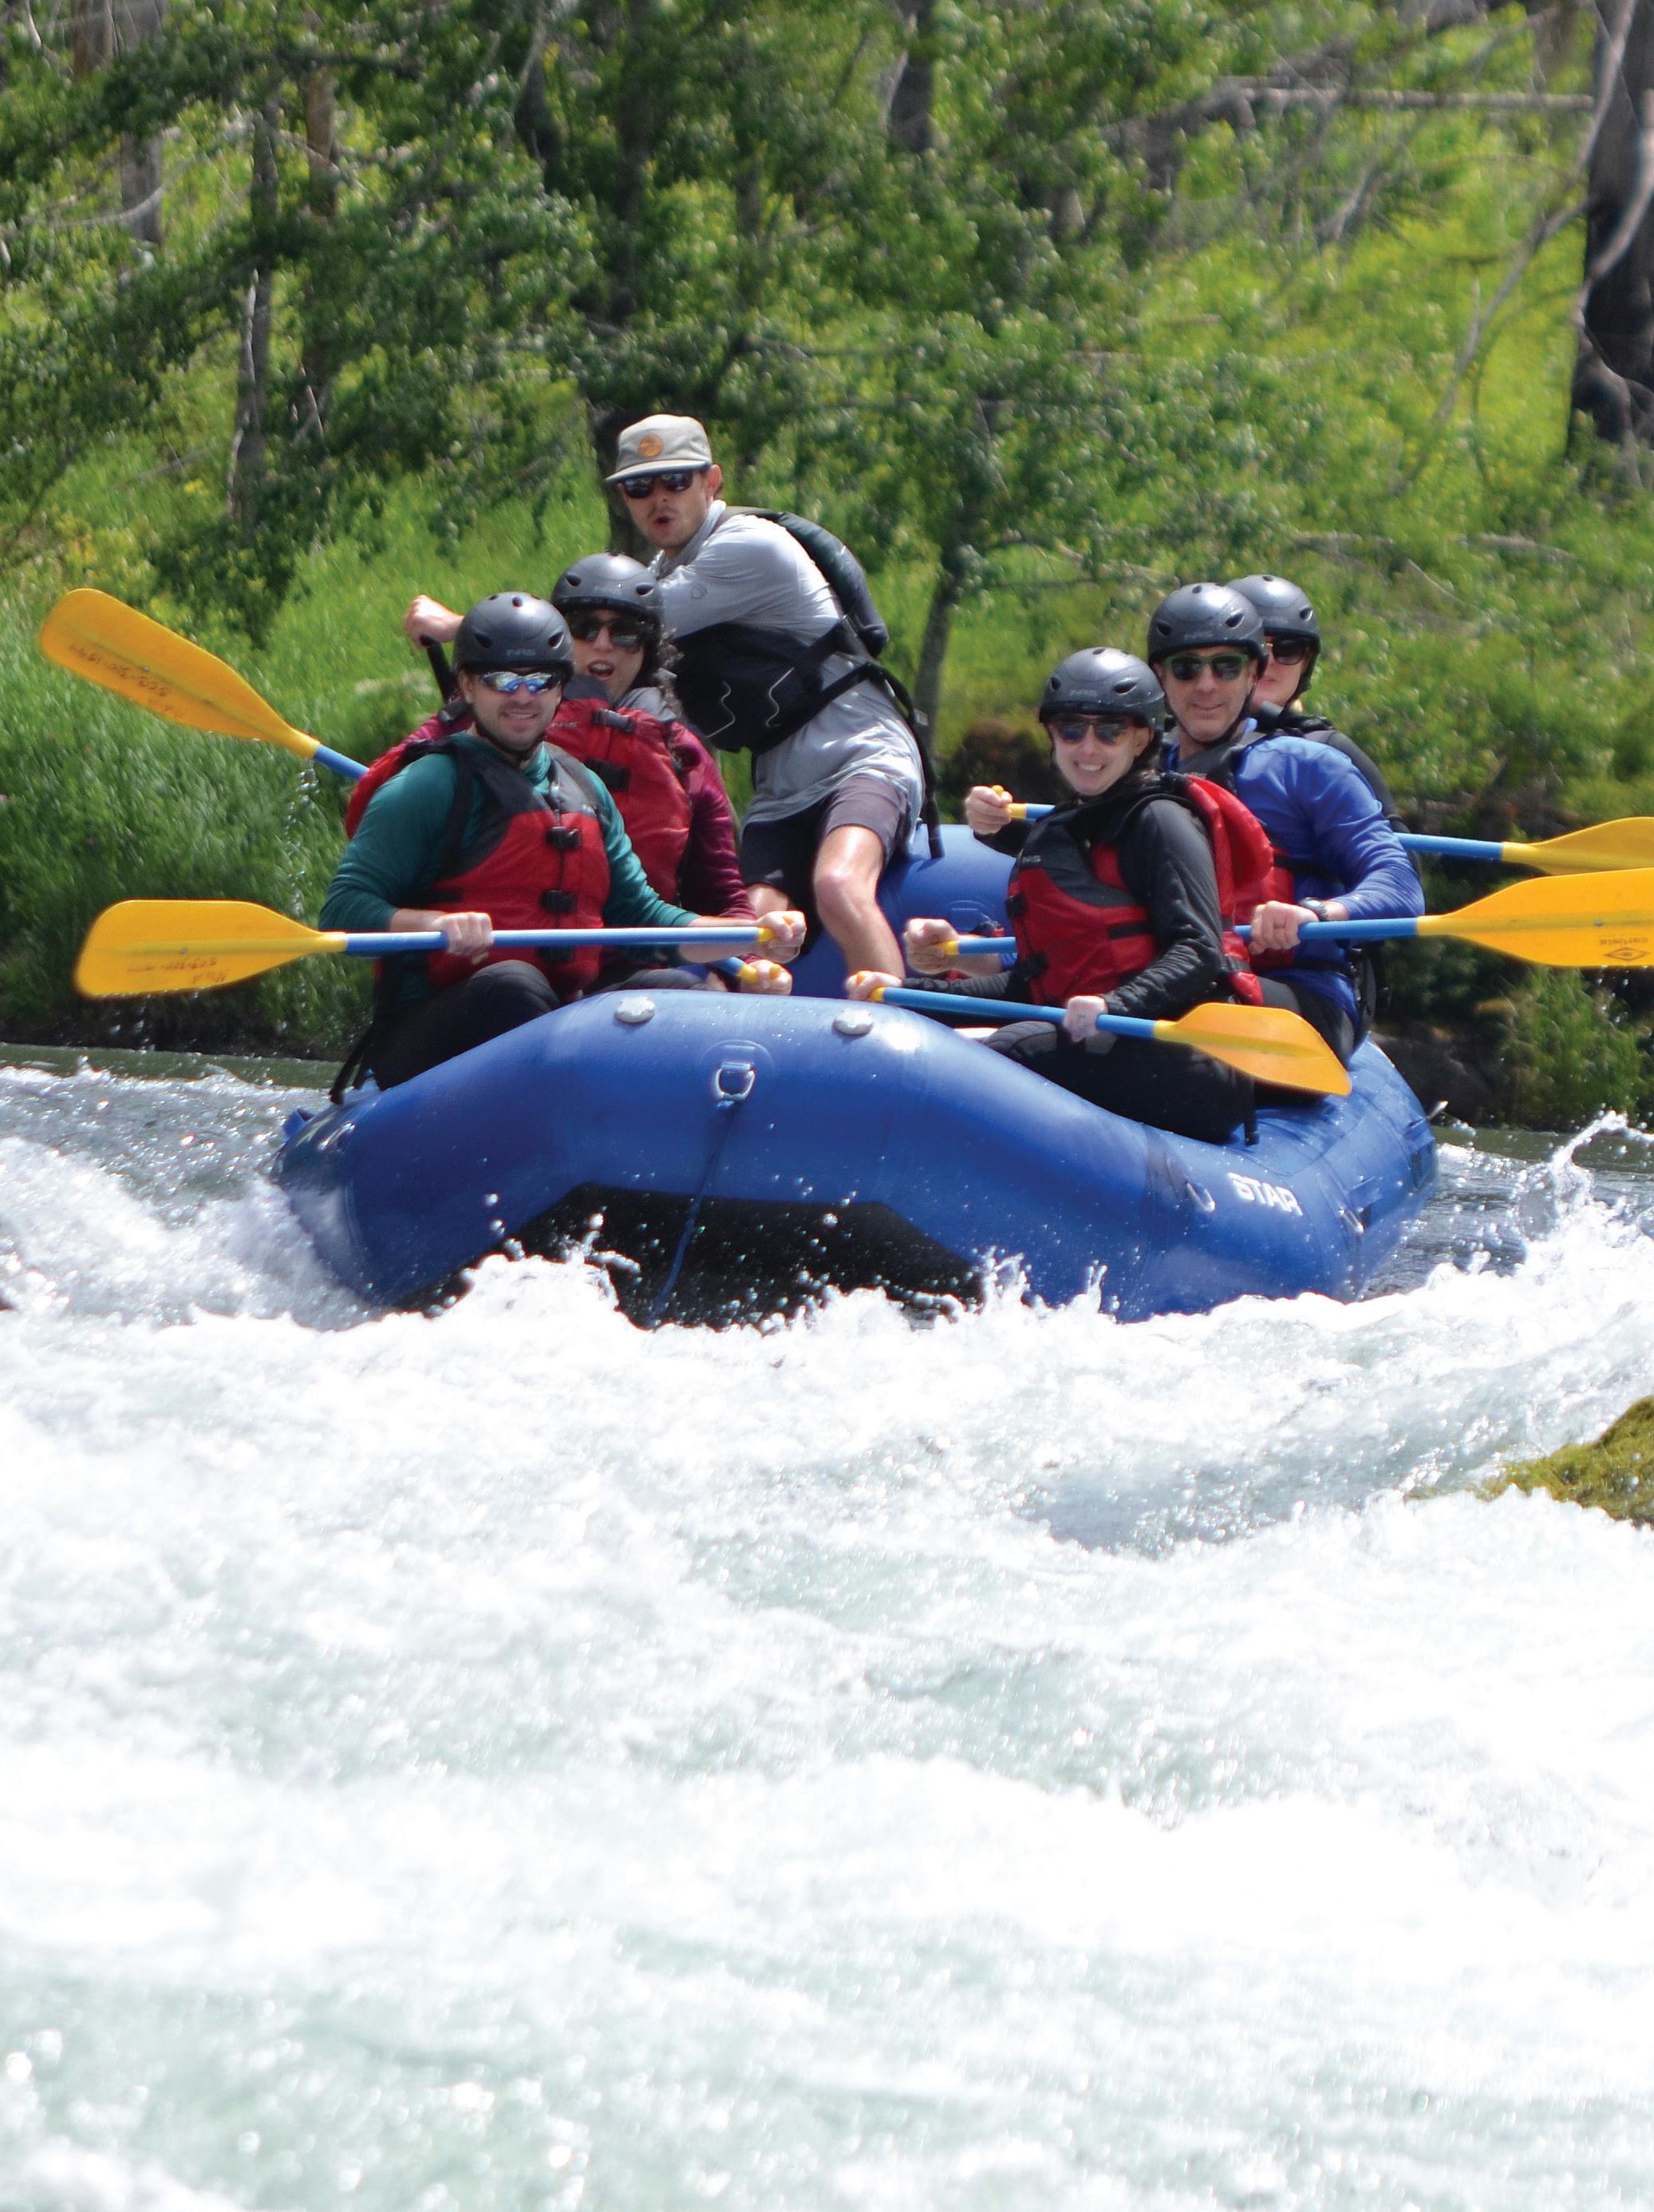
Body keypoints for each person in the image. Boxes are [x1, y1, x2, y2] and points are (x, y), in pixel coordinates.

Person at [324, 593, 802, 1091]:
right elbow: (343, 908)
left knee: (672, 992)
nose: (522, 697)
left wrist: (752, 936)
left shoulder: (585, 790)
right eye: (502, 681)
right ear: (467, 686)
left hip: (551, 1016)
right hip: (431, 1033)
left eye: (540, 681)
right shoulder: (428, 785)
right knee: (514, 985)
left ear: (560, 690)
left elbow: (644, 917)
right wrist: (432, 924)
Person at [843, 649, 1265, 1144]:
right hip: (1106, 1039)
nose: (1087, 747)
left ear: (1142, 738)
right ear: (1052, 736)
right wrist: (905, 994)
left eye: (1110, 731)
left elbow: (1198, 950)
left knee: (1012, 1051)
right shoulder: (1074, 826)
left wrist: (1116, 1005)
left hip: (1190, 1058)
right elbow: (1033, 987)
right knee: (931, 1031)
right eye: (1071, 730)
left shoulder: (1161, 821)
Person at [606, 414, 926, 980]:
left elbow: (615, 623)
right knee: (752, 928)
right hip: (781, 788)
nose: (659, 499)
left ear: (712, 481)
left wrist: (471, 628)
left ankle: (890, 1024)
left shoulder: (749, 546)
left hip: (864, 755)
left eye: (676, 481)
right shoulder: (659, 571)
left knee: (837, 885)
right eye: (639, 487)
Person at [1146, 582, 1423, 1061]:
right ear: (1161, 677)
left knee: (1193, 1003)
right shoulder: (1141, 766)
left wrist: (1318, 914)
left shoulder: (1312, 764)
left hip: (1297, 987)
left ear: (1250, 673)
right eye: (1187, 669)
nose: (1206, 686)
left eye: (1226, 667)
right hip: (1178, 974)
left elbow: (1401, 885)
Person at [403, 552, 753, 924]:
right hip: (503, 944)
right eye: (584, 628)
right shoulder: (500, 714)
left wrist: (750, 948)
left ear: (648, 647)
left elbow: (723, 894)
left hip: (637, 946)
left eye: (625, 632)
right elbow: (392, 792)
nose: (603, 644)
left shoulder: (680, 750)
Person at [1227, 571, 1406, 827]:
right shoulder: (1174, 743)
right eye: (1253, 648)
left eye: (1288, 649)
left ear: (1306, 662)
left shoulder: (1332, 750)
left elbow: (1395, 845)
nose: (1268, 662)